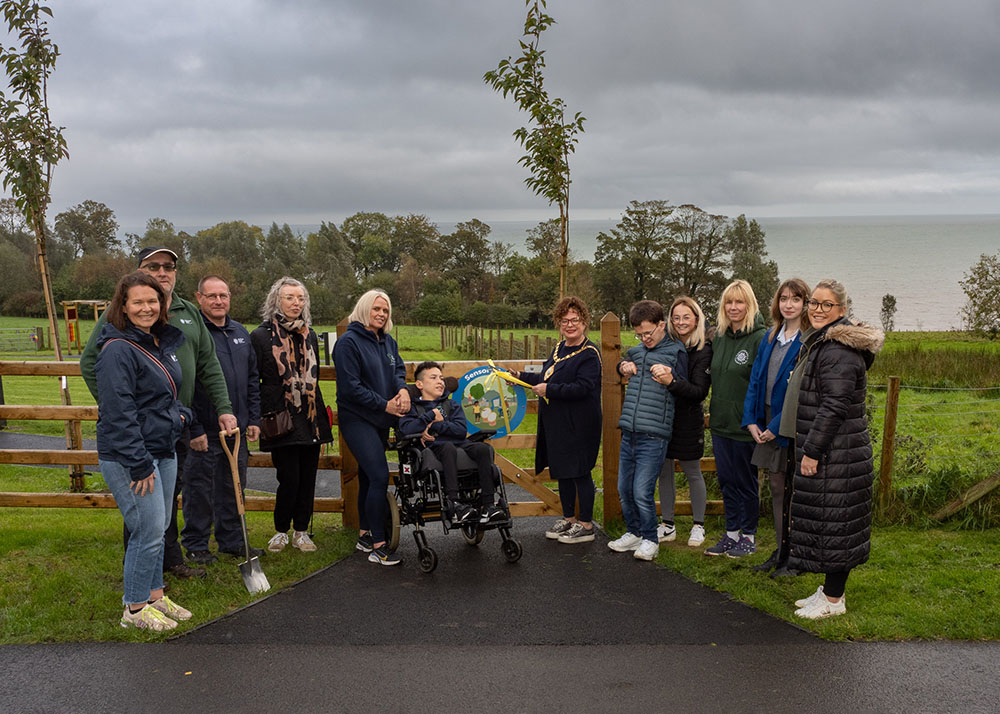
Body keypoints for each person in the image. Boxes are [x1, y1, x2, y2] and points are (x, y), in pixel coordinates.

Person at [81, 246, 238, 580]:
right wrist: (121, 407)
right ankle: (140, 582)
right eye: (153, 266)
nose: (162, 271)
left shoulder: (185, 313)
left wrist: (223, 408)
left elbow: (208, 363)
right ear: (139, 273)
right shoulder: (119, 318)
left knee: (169, 499)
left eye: (169, 266)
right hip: (138, 429)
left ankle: (167, 566)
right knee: (143, 507)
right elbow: (91, 364)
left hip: (176, 421)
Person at [96, 271, 195, 631]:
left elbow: (163, 397)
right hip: (132, 457)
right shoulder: (118, 349)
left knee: (160, 526)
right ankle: (135, 609)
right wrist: (138, 465)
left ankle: (155, 595)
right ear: (123, 306)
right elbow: (118, 412)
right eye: (137, 301)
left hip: (163, 447)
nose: (146, 307)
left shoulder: (156, 343)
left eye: (152, 301)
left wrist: (182, 416)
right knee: (147, 530)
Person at [784, 279, 883, 619]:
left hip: (838, 454)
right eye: (814, 303)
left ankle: (834, 601)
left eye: (827, 305)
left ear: (842, 311)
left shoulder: (838, 351)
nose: (817, 309)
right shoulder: (825, 343)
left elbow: (833, 407)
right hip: (838, 452)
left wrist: (811, 451)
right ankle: (829, 591)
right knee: (831, 522)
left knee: (837, 524)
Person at [181, 275, 263, 564]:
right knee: (200, 488)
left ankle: (231, 540)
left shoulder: (240, 332)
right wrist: (195, 428)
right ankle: (196, 544)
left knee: (234, 485)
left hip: (236, 428)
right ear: (199, 298)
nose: (218, 301)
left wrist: (253, 418)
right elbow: (186, 384)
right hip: (204, 427)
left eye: (223, 296)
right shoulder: (193, 335)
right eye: (211, 296)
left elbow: (253, 378)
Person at [510, 296, 602, 544]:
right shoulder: (559, 348)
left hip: (581, 423)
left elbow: (583, 387)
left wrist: (549, 391)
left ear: (584, 322)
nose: (570, 325)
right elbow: (546, 375)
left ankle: (586, 525)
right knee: (563, 472)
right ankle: (570, 518)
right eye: (565, 321)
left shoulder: (590, 354)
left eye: (575, 320)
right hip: (559, 422)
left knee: (580, 472)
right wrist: (521, 376)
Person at [251, 277, 333, 554]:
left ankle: (301, 531)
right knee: (289, 477)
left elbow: (315, 375)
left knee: (308, 476)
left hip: (309, 415)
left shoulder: (309, 334)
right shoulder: (261, 336)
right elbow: (255, 380)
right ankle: (280, 531)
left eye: (300, 298)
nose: (296, 303)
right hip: (280, 414)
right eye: (289, 297)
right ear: (276, 300)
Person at [333, 289, 410, 566]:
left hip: (380, 418)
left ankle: (365, 534)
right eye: (376, 309)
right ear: (365, 309)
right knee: (379, 475)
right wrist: (385, 405)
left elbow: (398, 370)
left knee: (368, 476)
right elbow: (351, 388)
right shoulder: (348, 343)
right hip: (358, 419)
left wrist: (402, 390)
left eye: (385, 310)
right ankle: (380, 545)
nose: (381, 314)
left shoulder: (387, 342)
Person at [607, 300, 687, 562]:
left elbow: (685, 387)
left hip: (654, 434)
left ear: (661, 324)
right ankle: (634, 532)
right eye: (639, 334)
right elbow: (621, 363)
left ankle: (651, 539)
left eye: (648, 333)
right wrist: (623, 367)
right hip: (629, 431)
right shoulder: (637, 351)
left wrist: (671, 377)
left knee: (642, 490)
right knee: (624, 488)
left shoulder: (676, 352)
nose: (644, 338)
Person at [742, 278, 810, 576]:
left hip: (790, 422)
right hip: (765, 419)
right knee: (776, 486)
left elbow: (800, 390)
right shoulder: (770, 336)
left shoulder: (808, 340)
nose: (789, 304)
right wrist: (751, 421)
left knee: (793, 489)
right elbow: (756, 380)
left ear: (805, 304)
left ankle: (794, 555)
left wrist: (775, 425)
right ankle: (781, 550)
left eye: (796, 299)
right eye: (784, 298)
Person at [705, 279, 766, 558]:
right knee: (727, 480)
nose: (733, 307)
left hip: (745, 426)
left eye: (739, 302)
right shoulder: (718, 337)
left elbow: (762, 383)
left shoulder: (760, 338)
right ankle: (730, 534)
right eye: (729, 302)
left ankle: (748, 536)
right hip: (720, 424)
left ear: (749, 304)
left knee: (745, 482)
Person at [398, 361, 505, 524]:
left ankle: (488, 505)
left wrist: (435, 425)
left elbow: (461, 430)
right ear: (419, 384)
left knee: (483, 449)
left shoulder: (451, 405)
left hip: (459, 443)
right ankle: (454, 504)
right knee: (448, 447)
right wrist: (430, 415)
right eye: (433, 378)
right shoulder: (413, 407)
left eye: (441, 378)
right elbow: (408, 429)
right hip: (433, 450)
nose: (440, 381)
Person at [655, 296, 712, 548]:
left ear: (696, 319)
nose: (680, 322)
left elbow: (699, 391)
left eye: (686, 317)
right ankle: (667, 525)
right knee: (664, 472)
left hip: (688, 419)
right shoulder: (665, 345)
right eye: (676, 317)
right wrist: (624, 365)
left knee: (692, 471)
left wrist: (672, 383)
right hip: (664, 416)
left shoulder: (703, 350)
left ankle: (698, 525)